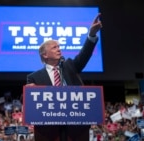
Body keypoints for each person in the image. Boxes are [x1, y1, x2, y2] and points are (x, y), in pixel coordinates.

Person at [26, 13, 103, 141]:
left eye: (59, 47)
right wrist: (29, 93)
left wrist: (92, 35)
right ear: (45, 55)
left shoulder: (70, 66)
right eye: (54, 47)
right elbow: (28, 103)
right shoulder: (34, 77)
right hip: (49, 133)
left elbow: (84, 54)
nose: (59, 49)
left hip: (76, 131)